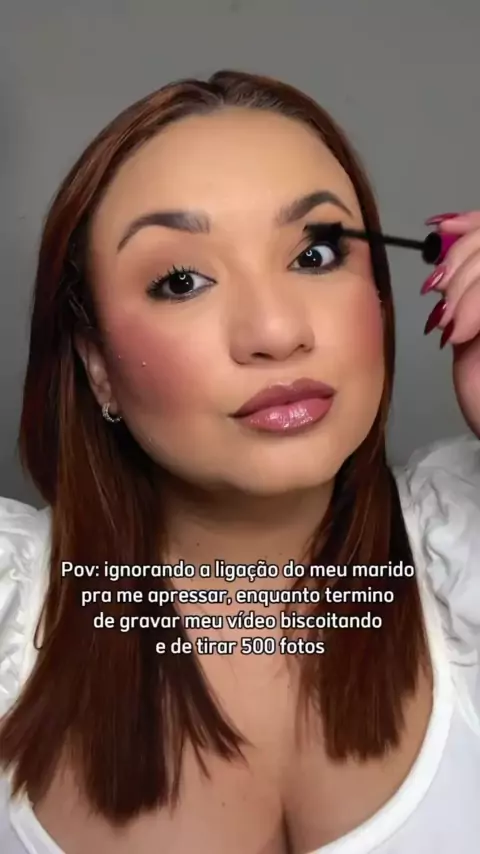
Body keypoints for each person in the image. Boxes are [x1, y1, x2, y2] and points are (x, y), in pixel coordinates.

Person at [0, 69, 479, 854]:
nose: (275, 332)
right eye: (182, 280)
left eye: (316, 255)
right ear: (97, 365)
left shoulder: (466, 561)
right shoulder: (10, 614)